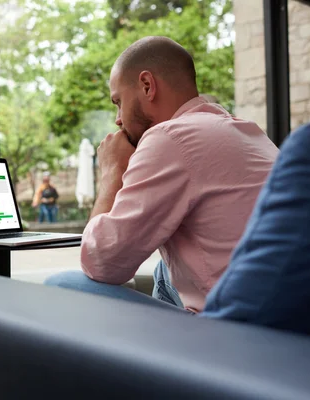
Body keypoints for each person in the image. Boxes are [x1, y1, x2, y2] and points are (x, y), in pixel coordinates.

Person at [45, 36, 278, 313]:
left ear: (147, 85)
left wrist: (111, 173)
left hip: (235, 329)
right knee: (164, 271)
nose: (118, 118)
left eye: (118, 101)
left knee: (60, 285)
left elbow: (101, 263)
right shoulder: (247, 132)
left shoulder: (169, 137)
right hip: (284, 314)